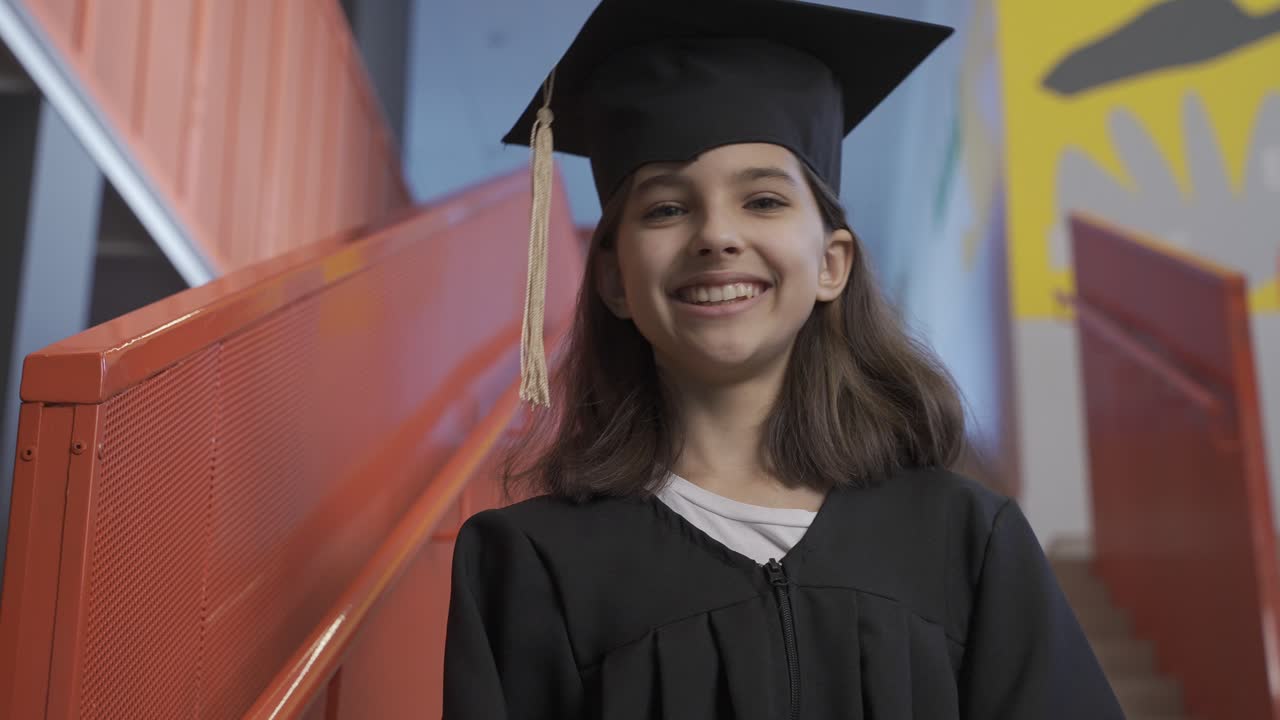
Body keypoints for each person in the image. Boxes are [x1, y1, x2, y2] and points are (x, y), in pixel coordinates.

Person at [443, 0, 1124, 717]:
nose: (717, 236)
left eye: (763, 200)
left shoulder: (964, 539)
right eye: (666, 209)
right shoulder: (532, 564)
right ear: (613, 278)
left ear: (832, 263)